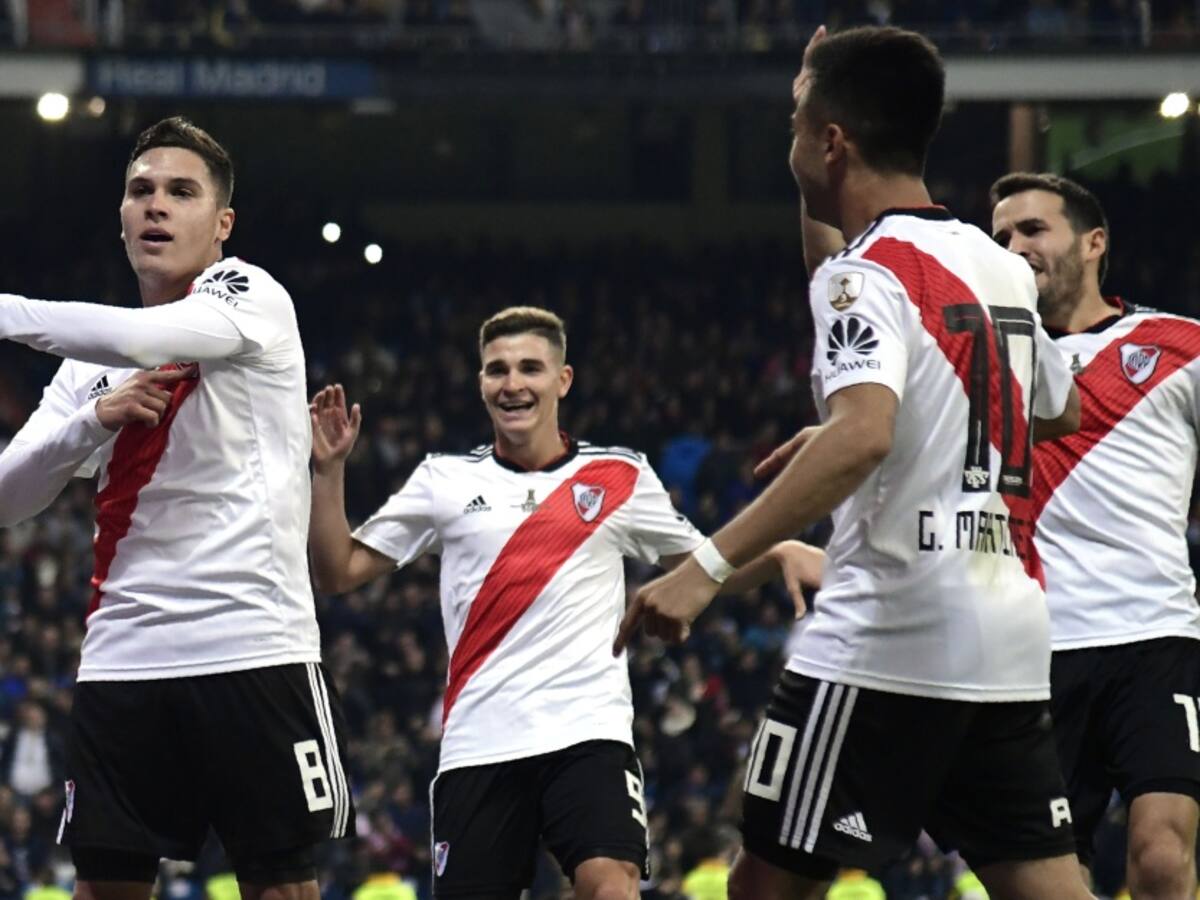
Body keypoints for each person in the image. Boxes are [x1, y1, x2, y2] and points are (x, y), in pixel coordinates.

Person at [613, 25, 1089, 900]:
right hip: (1006, 637)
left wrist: (707, 570)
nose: (789, 132)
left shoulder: (867, 273)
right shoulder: (996, 267)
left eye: (799, 117)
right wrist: (897, 430)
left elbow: (864, 432)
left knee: (765, 885)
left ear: (831, 141)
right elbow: (1059, 408)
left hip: (886, 638)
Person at [308, 306, 822, 900]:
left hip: (588, 733)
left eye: (530, 367)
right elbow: (337, 571)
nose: (512, 383)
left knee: (611, 887)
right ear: (480, 384)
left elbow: (705, 569)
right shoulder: (442, 480)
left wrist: (778, 551)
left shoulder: (620, 476)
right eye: (496, 370)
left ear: (563, 380)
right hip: (480, 742)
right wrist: (330, 470)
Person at [0, 117, 352, 900]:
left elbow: (147, 335)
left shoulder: (249, 294)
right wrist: (91, 423)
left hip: (251, 645)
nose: (156, 205)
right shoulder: (91, 362)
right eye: (140, 191)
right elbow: (7, 497)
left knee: (282, 889)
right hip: (123, 653)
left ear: (222, 224)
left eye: (180, 192)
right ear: (121, 219)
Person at [991, 172, 1200, 899]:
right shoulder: (989, 366)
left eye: (1032, 229)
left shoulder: (1180, 345)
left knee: (1163, 858)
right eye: (1002, 237)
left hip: (1155, 636)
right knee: (1050, 878)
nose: (1014, 246)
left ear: (1094, 242)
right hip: (1034, 649)